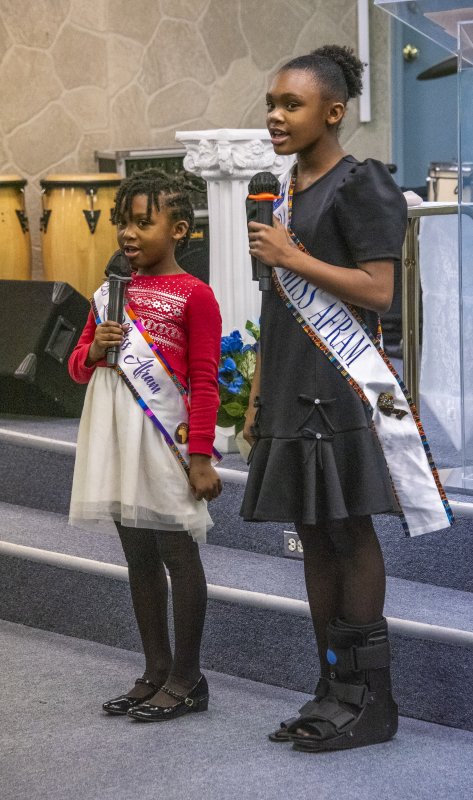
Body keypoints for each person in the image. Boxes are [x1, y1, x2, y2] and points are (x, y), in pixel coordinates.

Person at [241, 45, 452, 752]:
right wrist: (257, 395)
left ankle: (371, 701)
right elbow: (275, 303)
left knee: (349, 534)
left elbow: (378, 291)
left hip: (340, 386)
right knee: (312, 539)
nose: (274, 116)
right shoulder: (281, 192)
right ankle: (330, 688)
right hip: (290, 386)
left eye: (290, 105)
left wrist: (292, 256)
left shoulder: (362, 184)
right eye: (271, 103)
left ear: (332, 111)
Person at [68, 169, 222, 722]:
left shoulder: (195, 295)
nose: (129, 234)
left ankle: (188, 676)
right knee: (137, 556)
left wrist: (201, 455)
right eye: (122, 223)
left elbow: (205, 380)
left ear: (178, 229)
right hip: (115, 438)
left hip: (164, 441)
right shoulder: (109, 293)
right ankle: (154, 669)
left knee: (177, 554)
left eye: (143, 222)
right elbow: (77, 367)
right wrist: (93, 351)